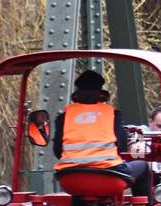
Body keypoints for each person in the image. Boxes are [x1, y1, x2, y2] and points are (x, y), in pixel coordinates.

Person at [53, 69, 150, 197]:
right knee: (143, 166)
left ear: (76, 95)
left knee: (81, 189)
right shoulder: (112, 114)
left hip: (70, 178)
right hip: (109, 175)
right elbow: (120, 147)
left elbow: (57, 150)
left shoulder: (64, 117)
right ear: (101, 94)